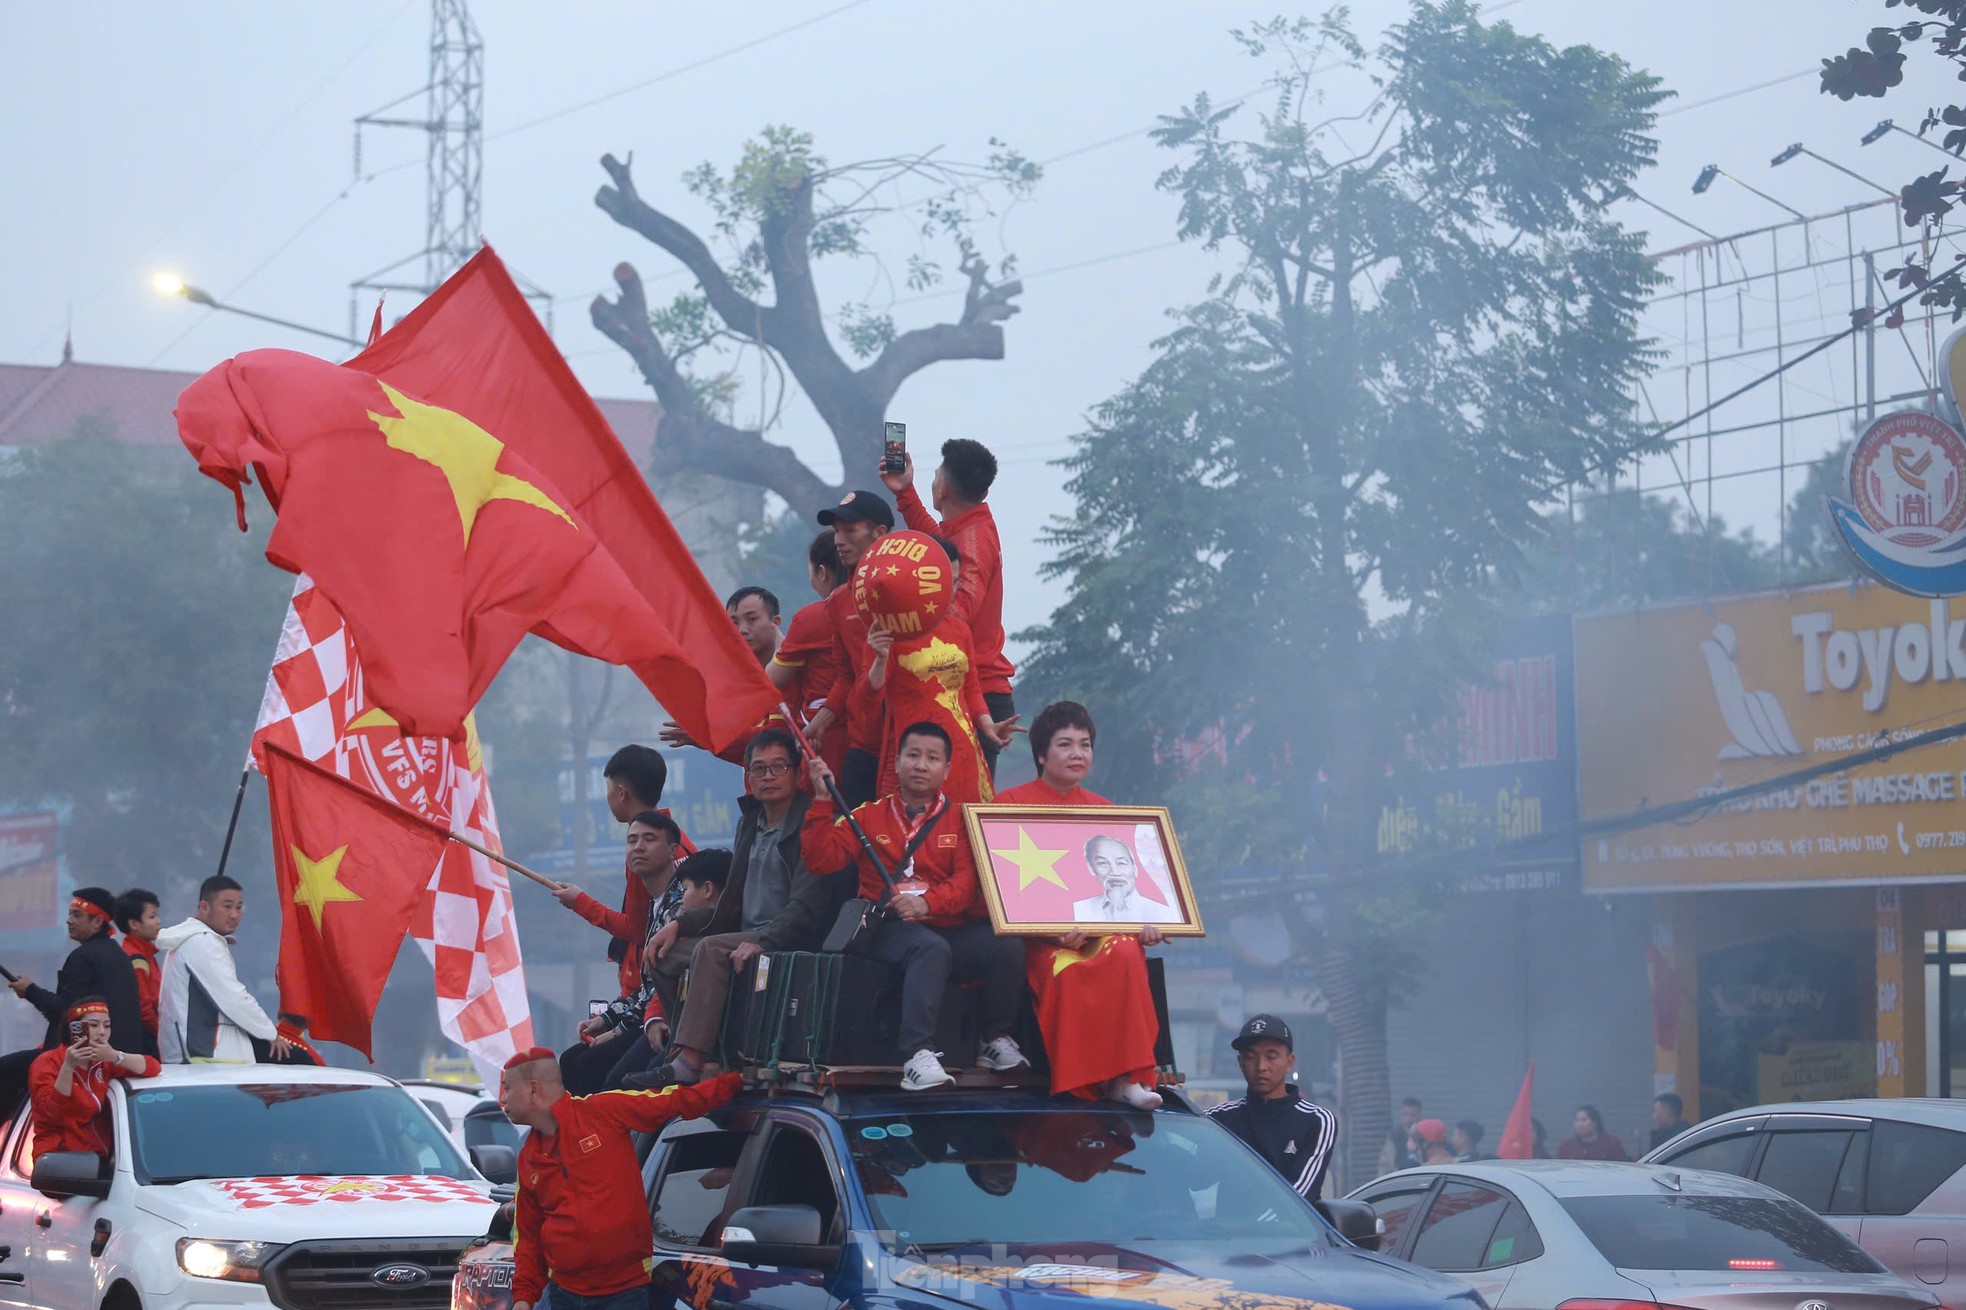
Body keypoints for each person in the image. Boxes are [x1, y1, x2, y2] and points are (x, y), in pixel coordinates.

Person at [802, 722, 1028, 1090]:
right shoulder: (866, 815)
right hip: (885, 928)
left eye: (932, 758)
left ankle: (994, 1039)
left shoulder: (962, 818)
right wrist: (822, 800)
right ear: (897, 762)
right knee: (929, 947)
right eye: (913, 755)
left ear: (947, 770)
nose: (921, 765)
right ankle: (917, 1056)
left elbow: (969, 884)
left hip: (942, 925)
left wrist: (927, 904)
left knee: (1006, 945)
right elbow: (820, 860)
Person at [645, 729, 852, 1088]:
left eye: (778, 767)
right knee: (664, 954)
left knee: (710, 949)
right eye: (759, 769)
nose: (768, 777)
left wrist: (765, 941)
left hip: (789, 935)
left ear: (797, 771)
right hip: (742, 931)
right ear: (749, 775)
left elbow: (807, 907)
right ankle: (687, 1051)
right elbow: (729, 905)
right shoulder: (749, 824)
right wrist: (680, 925)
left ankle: (692, 1059)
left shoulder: (810, 823)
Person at [997, 701, 1165, 1109]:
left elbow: (1127, 887)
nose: (1078, 754)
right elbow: (1001, 893)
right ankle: (1089, 1081)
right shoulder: (1008, 806)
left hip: (1100, 931)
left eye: (1085, 745)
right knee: (1068, 972)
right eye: (1065, 744)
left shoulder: (1105, 809)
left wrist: (1147, 921)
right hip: (1041, 941)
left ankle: (1128, 1077)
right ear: (1041, 754)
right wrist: (1051, 932)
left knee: (1127, 950)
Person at [501, 1048, 740, 1310]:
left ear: (533, 1090)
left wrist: (738, 1080)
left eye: (508, 1088)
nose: (503, 1100)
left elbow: (676, 1101)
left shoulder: (603, 1110)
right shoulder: (528, 1158)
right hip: (562, 1293)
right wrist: (523, 1299)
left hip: (623, 1293)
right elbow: (527, 1238)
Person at [881, 440, 1015, 776]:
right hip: (961, 683)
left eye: (936, 474)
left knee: (961, 810)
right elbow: (937, 547)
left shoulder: (972, 542)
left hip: (973, 688)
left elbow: (957, 612)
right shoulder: (968, 530)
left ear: (942, 489)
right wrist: (906, 492)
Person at [864, 537, 1015, 806]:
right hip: (914, 755)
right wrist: (879, 659)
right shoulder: (890, 629)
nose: (953, 590)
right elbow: (864, 703)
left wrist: (988, 725)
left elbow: (971, 689)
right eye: (946, 581)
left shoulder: (960, 629)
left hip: (963, 752)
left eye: (957, 582)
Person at [552, 812, 685, 1094]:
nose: (638, 847)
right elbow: (646, 987)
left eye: (649, 839)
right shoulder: (654, 905)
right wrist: (606, 1019)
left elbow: (663, 987)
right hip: (646, 1013)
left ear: (673, 850)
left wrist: (617, 1030)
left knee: (610, 1081)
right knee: (572, 1060)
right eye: (632, 840)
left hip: (670, 1021)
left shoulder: (681, 905)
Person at [602, 852, 729, 1091]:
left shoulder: (713, 944)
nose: (681, 899)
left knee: (633, 1086)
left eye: (686, 890)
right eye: (632, 840)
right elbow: (661, 988)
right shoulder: (680, 927)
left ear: (708, 889)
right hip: (662, 1027)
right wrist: (654, 1018)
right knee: (614, 1082)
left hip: (692, 1041)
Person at [810, 490, 895, 807]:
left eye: (849, 531)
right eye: (836, 532)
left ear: (880, 534)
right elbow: (845, 674)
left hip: (909, 742)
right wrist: (820, 721)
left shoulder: (912, 592)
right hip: (864, 744)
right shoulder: (838, 602)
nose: (838, 541)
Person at [158, 875, 289, 1063]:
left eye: (238, 907)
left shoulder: (192, 940)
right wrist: (270, 1033)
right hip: (206, 1060)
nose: (234, 914)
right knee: (295, 1059)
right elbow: (234, 998)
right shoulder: (202, 942)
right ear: (204, 907)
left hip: (202, 1059)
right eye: (227, 906)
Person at [1205, 1015, 1336, 1199]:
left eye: (1271, 1057)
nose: (1261, 1066)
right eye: (1250, 1057)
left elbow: (1299, 1200)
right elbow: (1196, 1178)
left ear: (1290, 1062)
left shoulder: (1317, 1121)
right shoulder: (1217, 1121)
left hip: (1289, 1227)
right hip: (1226, 1228)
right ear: (1240, 1062)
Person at [10, 887, 145, 1057]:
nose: (69, 921)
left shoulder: (84, 957)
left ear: (97, 921)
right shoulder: (118, 954)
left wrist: (29, 991)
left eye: (77, 915)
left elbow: (66, 1011)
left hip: (87, 1059)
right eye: (70, 914)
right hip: (116, 1055)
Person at [660, 586, 788, 758]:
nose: (742, 629)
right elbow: (753, 757)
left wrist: (710, 736)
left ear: (776, 622)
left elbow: (776, 744)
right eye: (734, 623)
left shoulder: (791, 672)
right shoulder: (738, 682)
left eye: (752, 619)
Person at [29, 997, 160, 1161]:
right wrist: (68, 1067)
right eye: (93, 1025)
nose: (102, 1032)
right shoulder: (47, 1062)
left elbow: (152, 1067)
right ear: (74, 1028)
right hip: (62, 1159)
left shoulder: (103, 1061)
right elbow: (53, 1114)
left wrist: (115, 1056)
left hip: (101, 1157)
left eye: (107, 1025)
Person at [769, 532, 850, 772]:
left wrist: (779, 645)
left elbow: (773, 678)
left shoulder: (811, 618)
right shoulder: (874, 608)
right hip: (870, 728)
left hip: (825, 733)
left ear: (822, 573)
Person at [600, 745, 673, 975]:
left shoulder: (644, 853)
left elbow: (637, 928)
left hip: (651, 979)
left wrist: (580, 903)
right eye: (634, 840)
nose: (639, 847)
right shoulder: (672, 839)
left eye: (608, 788)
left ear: (622, 793)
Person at [1069, 836, 1182, 925]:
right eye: (1103, 863)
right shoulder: (1079, 911)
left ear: (1135, 869)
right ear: (1091, 868)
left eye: (1121, 863)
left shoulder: (1163, 914)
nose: (1114, 872)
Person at [115, 888, 163, 1056]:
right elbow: (143, 1008)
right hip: (146, 1041)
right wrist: (162, 1035)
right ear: (134, 924)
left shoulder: (145, 954)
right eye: (152, 916)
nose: (158, 921)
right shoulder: (136, 959)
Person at [1556, 1104, 1628, 1161]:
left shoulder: (1612, 1143)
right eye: (1577, 1120)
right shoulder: (1566, 1146)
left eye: (1584, 1120)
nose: (1579, 1124)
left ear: (1594, 1122)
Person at [1379, 1096, 1424, 1175]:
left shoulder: (1426, 1133)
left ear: (1420, 1116)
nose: (1408, 1119)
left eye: (1413, 1115)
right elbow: (1385, 1163)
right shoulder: (1394, 1136)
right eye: (1405, 1115)